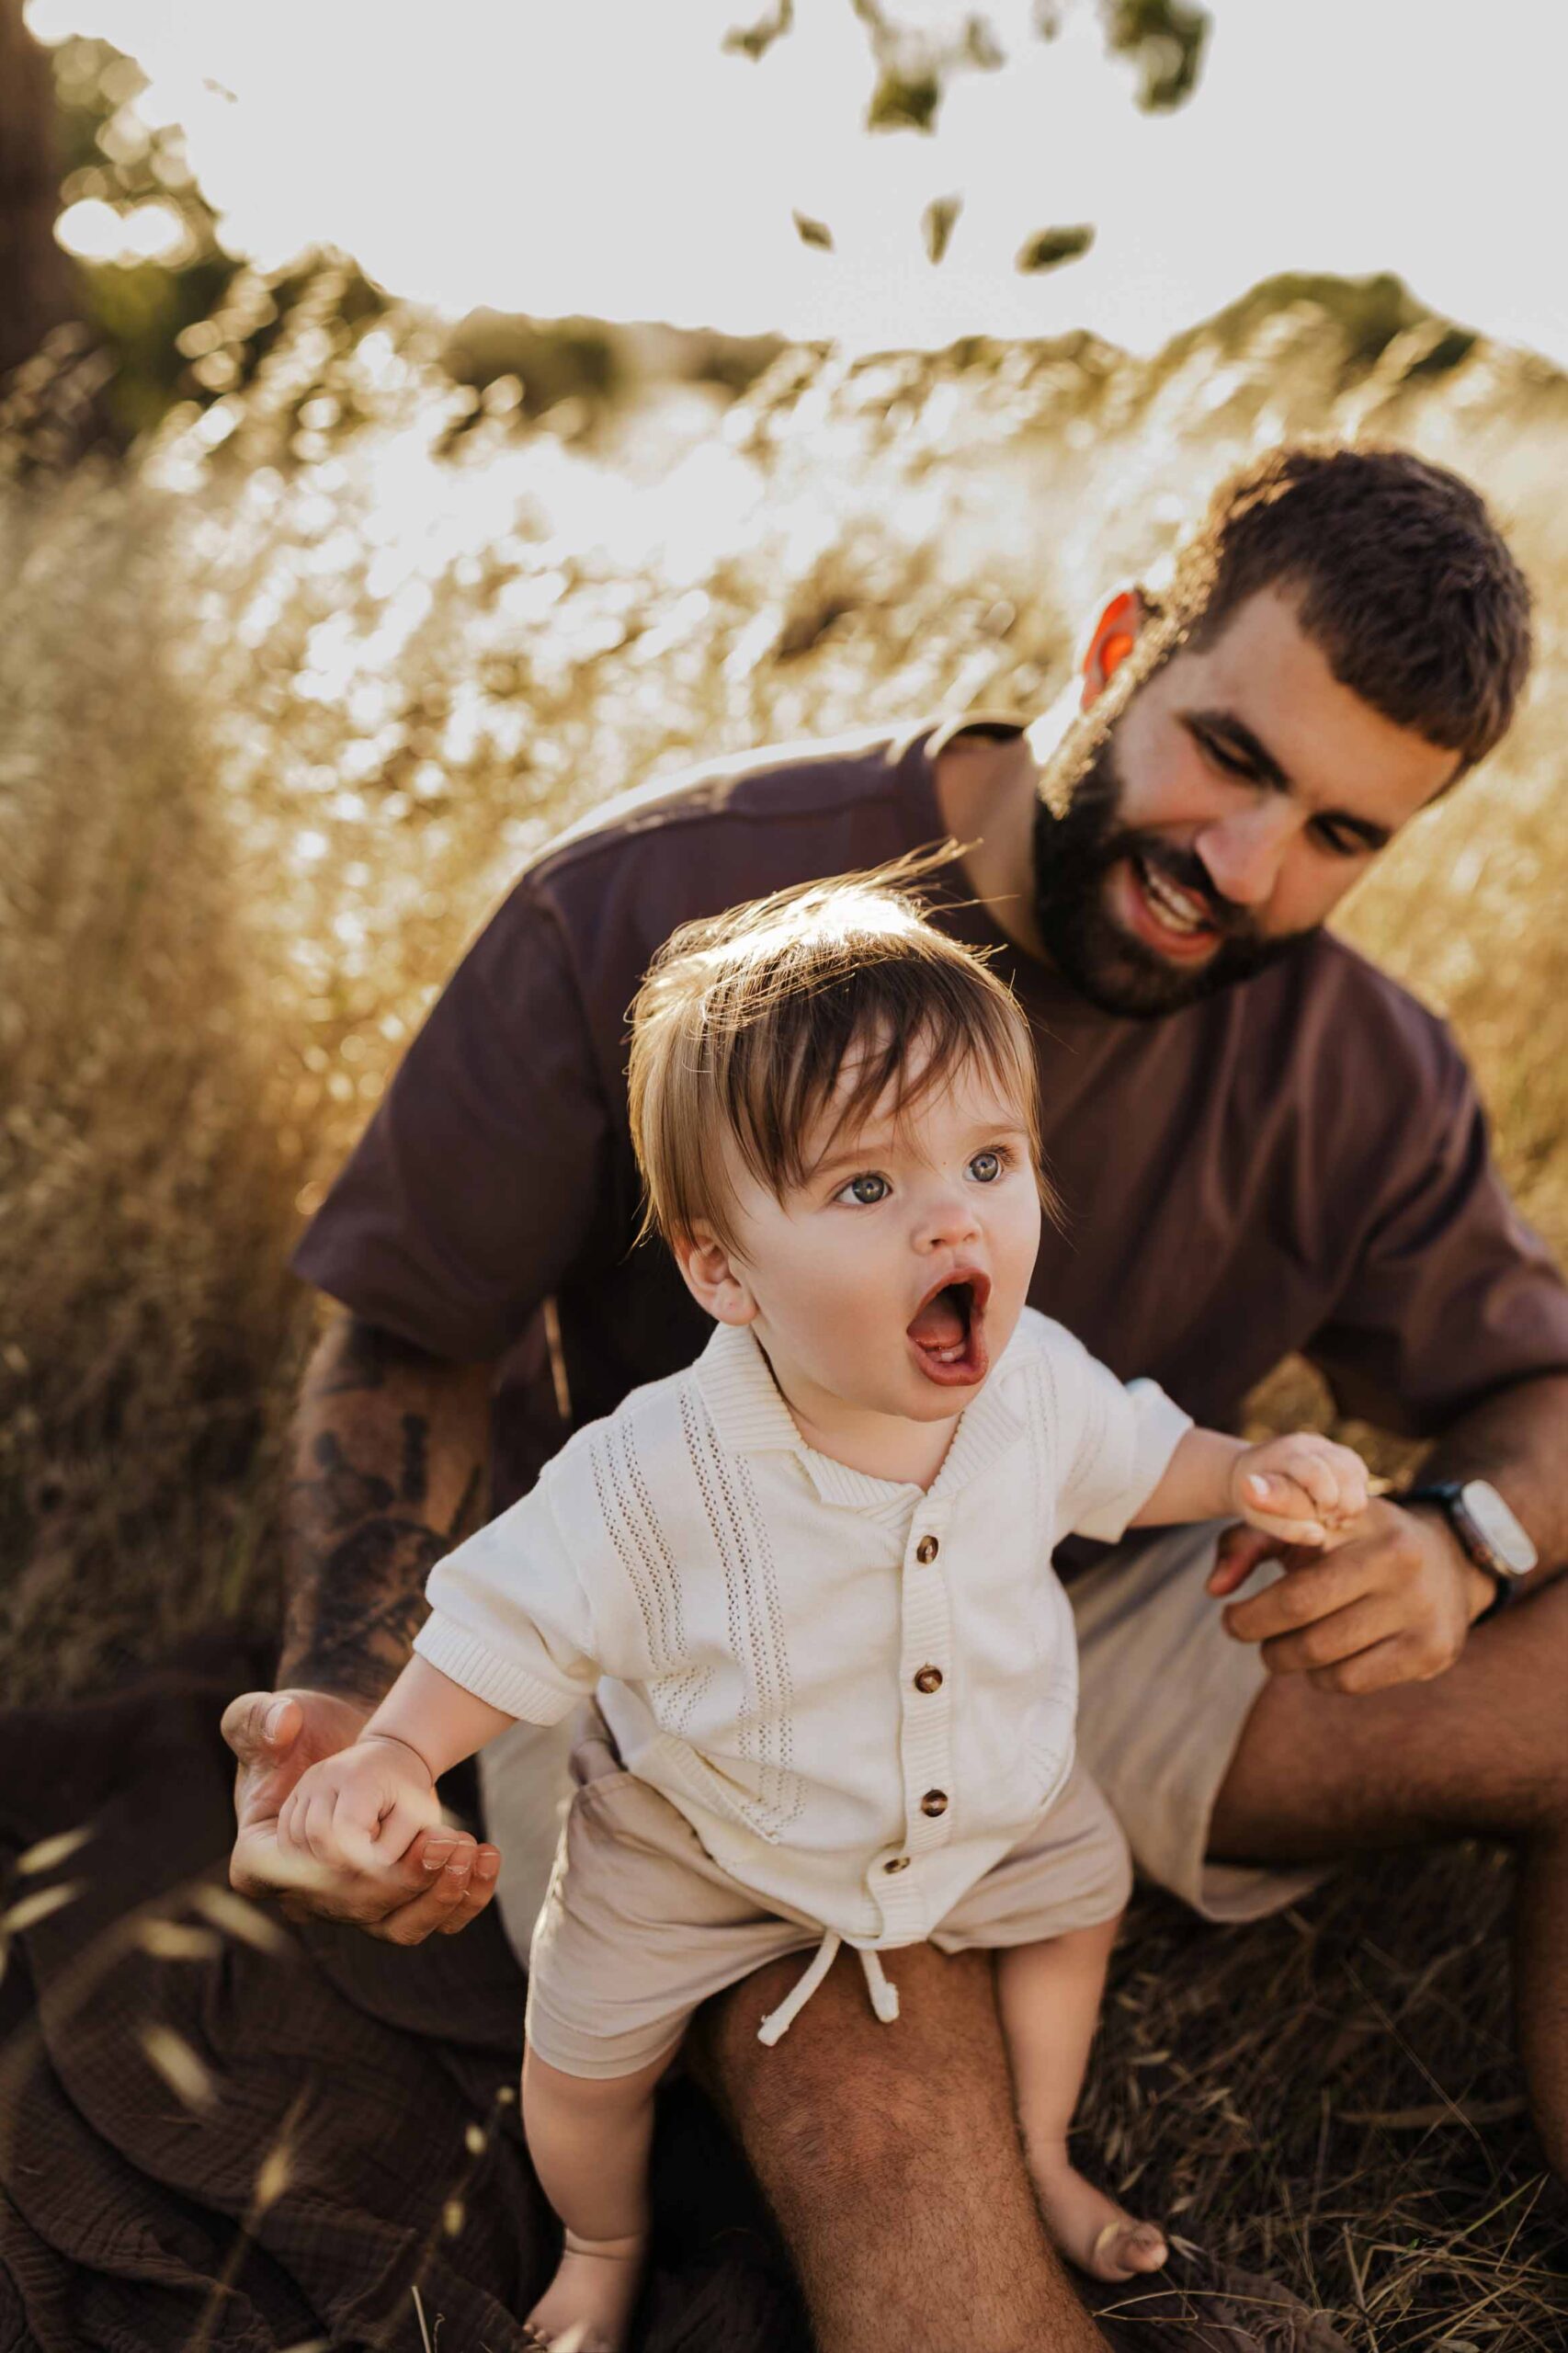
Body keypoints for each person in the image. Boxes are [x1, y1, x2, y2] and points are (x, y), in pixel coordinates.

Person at [225, 442, 1568, 2353]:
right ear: (1116, 646)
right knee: (871, 2073)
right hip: (706, 1674)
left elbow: (1539, 1388)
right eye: (1234, 759)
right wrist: (365, 1716)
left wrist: (1463, 1535)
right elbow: (410, 1333)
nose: (1250, 871)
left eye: (1345, 833)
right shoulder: (662, 904)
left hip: (1079, 1617)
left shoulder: (1362, 1067)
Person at [270, 870, 1371, 2352]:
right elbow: (501, 1620)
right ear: (723, 1269)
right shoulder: (656, 1474)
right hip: (702, 1827)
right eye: (866, 1189)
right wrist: (398, 1750)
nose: (948, 1223)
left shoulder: (1031, 1377)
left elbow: (1136, 1456)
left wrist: (1249, 1475)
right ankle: (603, 2240)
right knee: (584, 2055)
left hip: (984, 1780)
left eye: (988, 1163)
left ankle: (1039, 2152)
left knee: (1076, 1901)